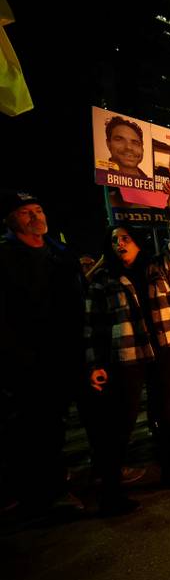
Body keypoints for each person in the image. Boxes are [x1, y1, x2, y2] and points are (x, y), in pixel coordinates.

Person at [83, 186, 170, 516]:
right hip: (128, 358)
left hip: (164, 351)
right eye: (115, 241)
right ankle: (111, 489)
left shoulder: (157, 267)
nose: (120, 245)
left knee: (166, 412)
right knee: (122, 421)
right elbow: (92, 326)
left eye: (126, 239)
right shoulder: (102, 278)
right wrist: (94, 364)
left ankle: (169, 469)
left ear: (138, 242)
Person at [0, 190, 84, 516]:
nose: (36, 217)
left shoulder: (59, 252)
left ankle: (56, 480)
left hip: (68, 352)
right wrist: (17, 357)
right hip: (28, 360)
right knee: (34, 427)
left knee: (57, 423)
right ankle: (44, 495)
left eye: (38, 209)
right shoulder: (5, 256)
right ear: (10, 220)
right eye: (25, 213)